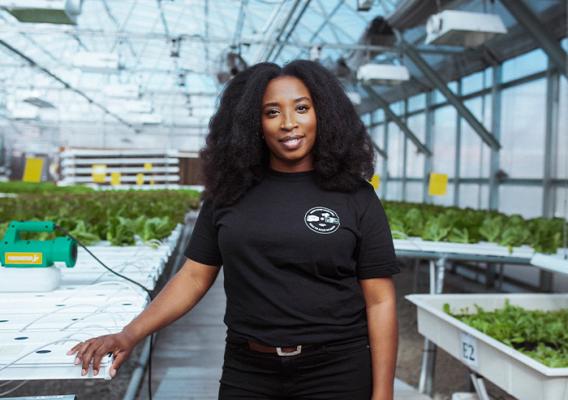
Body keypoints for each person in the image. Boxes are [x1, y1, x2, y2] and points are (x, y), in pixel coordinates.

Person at [68, 60, 400, 400]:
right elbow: (195, 276)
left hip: (337, 370)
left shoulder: (355, 196)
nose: (288, 124)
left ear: (324, 115)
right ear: (253, 124)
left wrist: (383, 392)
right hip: (249, 370)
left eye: (302, 108)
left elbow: (380, 300)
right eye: (272, 112)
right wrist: (129, 335)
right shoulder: (229, 192)